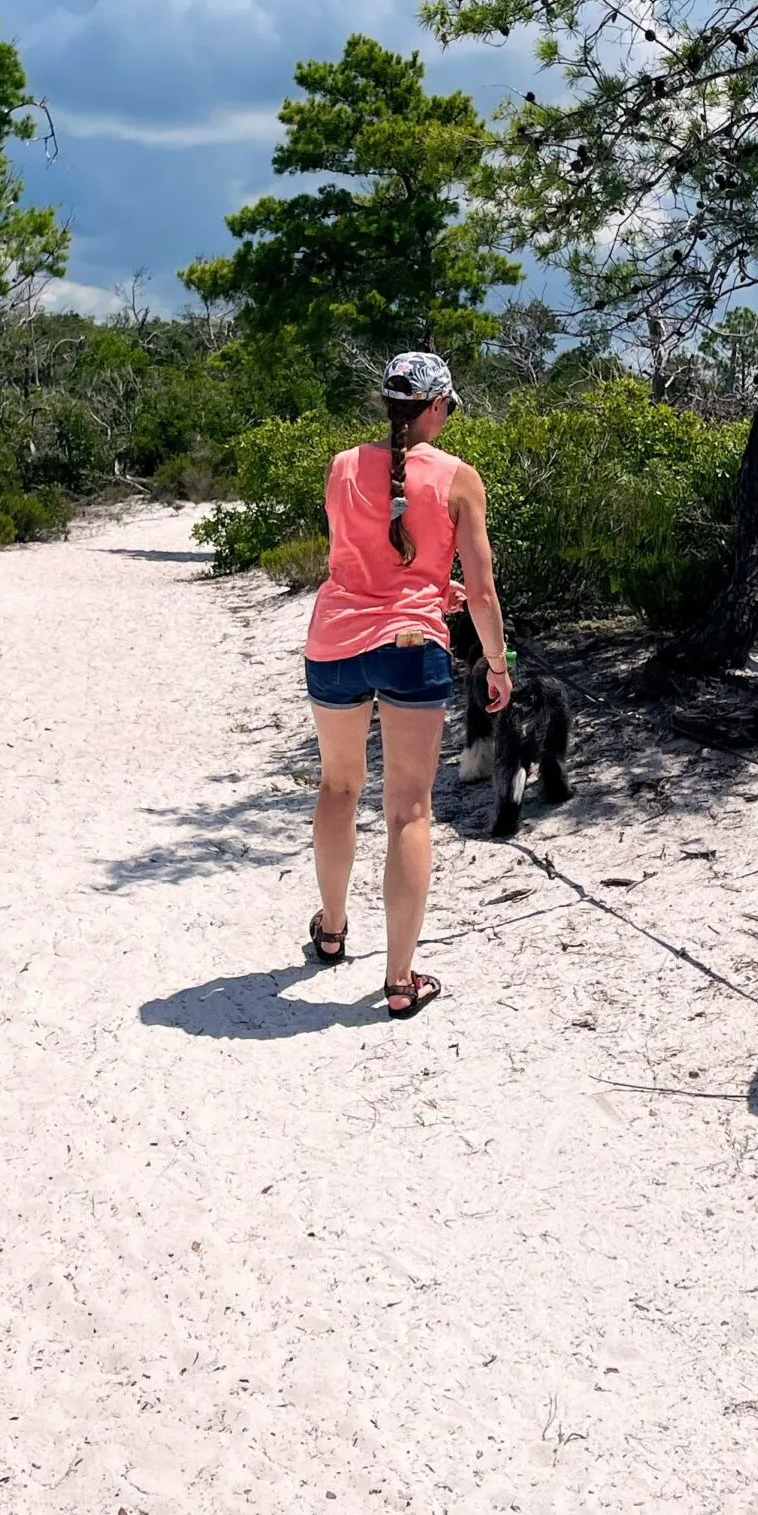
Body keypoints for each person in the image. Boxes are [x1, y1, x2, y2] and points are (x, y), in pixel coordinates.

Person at [302, 350, 512, 1018]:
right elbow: (481, 590)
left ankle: (331, 931)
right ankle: (398, 981)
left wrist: (423, 583)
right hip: (412, 646)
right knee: (409, 812)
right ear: (433, 406)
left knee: (337, 787)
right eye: (447, 406)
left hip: (334, 642)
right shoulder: (459, 478)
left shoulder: (339, 467)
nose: (448, 417)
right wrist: (498, 667)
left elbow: (357, 558)